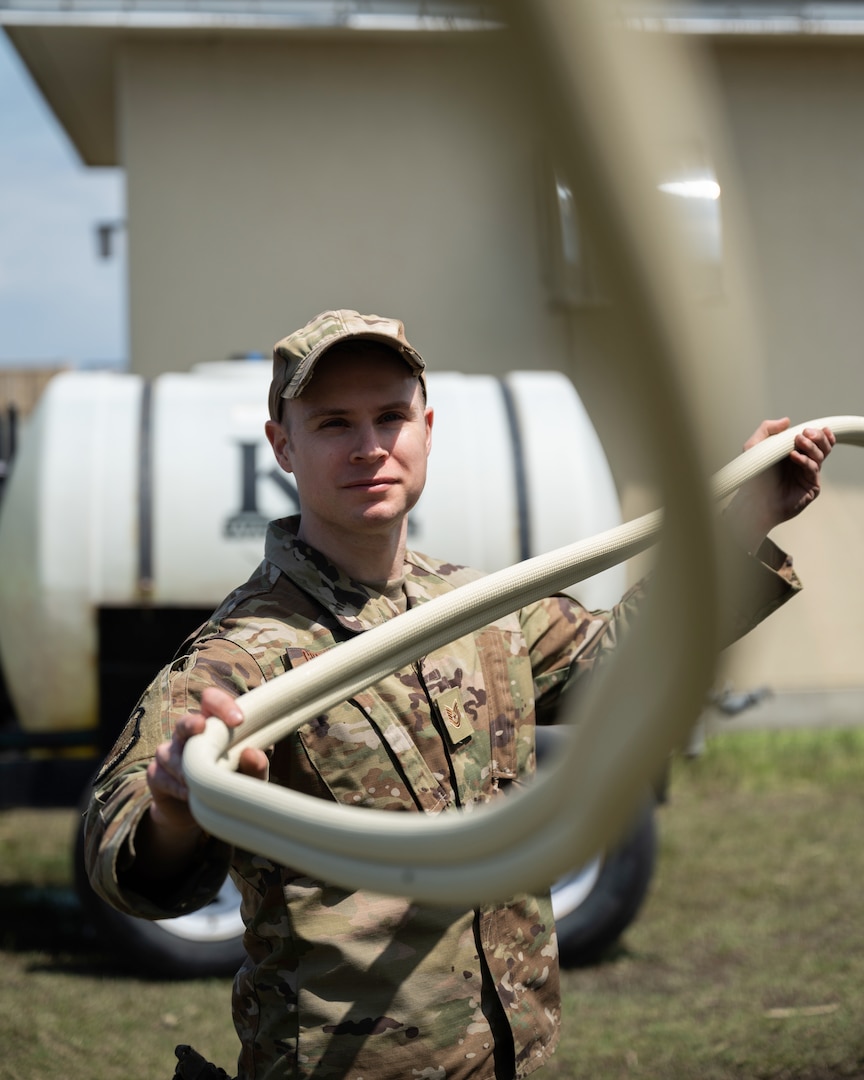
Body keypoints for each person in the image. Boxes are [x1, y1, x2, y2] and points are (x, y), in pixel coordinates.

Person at [84, 309, 835, 1080]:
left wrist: (740, 523)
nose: (370, 446)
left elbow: (622, 662)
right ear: (283, 445)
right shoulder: (243, 652)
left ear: (428, 428)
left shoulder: (483, 608)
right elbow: (119, 855)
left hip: (514, 1053)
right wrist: (180, 809)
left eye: (390, 416)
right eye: (334, 422)